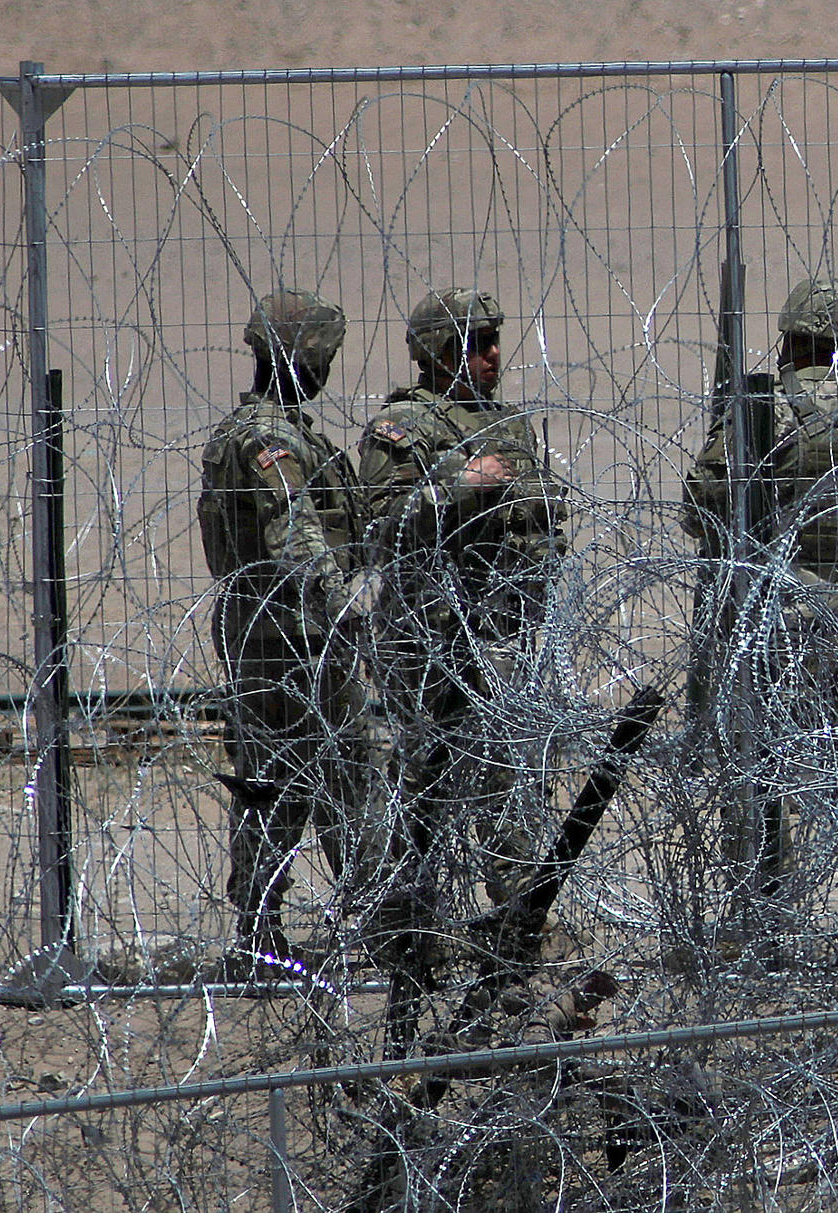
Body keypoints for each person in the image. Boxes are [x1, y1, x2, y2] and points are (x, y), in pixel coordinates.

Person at [359, 287, 567, 1048]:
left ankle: (510, 933)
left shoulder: (505, 424)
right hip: (428, 639)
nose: (492, 355)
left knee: (507, 782)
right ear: (441, 351)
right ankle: (404, 932)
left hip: (499, 635)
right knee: (424, 789)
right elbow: (375, 522)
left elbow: (543, 511)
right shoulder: (402, 426)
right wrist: (456, 485)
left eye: (494, 339)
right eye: (477, 341)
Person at [681, 276, 838, 957]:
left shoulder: (767, 413)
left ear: (791, 338)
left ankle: (761, 923)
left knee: (761, 768)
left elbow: (701, 507)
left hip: (783, 620)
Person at [197, 288, 366, 961]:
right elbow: (292, 528)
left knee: (276, 783)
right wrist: (340, 599)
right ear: (307, 358)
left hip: (270, 633)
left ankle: (261, 930)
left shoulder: (258, 428)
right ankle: (366, 923)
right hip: (292, 639)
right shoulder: (272, 439)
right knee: (334, 775)